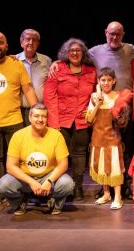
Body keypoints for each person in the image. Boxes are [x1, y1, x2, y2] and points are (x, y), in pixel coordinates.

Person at [0, 31, 38, 206]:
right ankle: (0, 190)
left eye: (0, 42)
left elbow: (27, 89)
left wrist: (37, 111)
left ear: (6, 46)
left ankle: (20, 190)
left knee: (18, 158)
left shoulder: (16, 64)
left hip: (14, 120)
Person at [0, 103, 74, 216]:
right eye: (36, 116)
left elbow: (63, 164)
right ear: (30, 117)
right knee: (3, 185)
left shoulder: (56, 135)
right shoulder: (18, 136)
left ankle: (54, 202)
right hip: (26, 178)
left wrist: (49, 181)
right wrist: (31, 182)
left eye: (44, 116)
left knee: (67, 184)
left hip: (48, 176)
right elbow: (10, 166)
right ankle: (20, 201)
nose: (40, 119)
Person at [44, 38, 97, 201]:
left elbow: (95, 95)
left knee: (80, 154)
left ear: (83, 53)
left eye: (78, 50)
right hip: (61, 120)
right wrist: (54, 122)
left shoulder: (91, 71)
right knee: (60, 155)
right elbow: (49, 96)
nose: (75, 53)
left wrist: (90, 115)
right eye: (71, 50)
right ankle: (60, 187)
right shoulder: (58, 69)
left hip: (82, 120)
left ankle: (78, 186)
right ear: (66, 53)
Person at [86, 67, 133, 209]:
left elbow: (123, 122)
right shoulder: (95, 97)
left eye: (108, 80)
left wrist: (118, 113)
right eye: (103, 80)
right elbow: (89, 120)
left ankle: (118, 196)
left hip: (112, 139)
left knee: (114, 168)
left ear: (114, 81)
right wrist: (98, 104)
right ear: (99, 81)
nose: (106, 83)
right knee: (101, 167)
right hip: (98, 138)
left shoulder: (119, 97)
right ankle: (106, 193)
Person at [16, 29, 52, 126]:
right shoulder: (13, 61)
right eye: (27, 39)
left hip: (41, 112)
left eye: (34, 40)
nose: (31, 42)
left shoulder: (47, 61)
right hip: (20, 112)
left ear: (38, 44)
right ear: (21, 42)